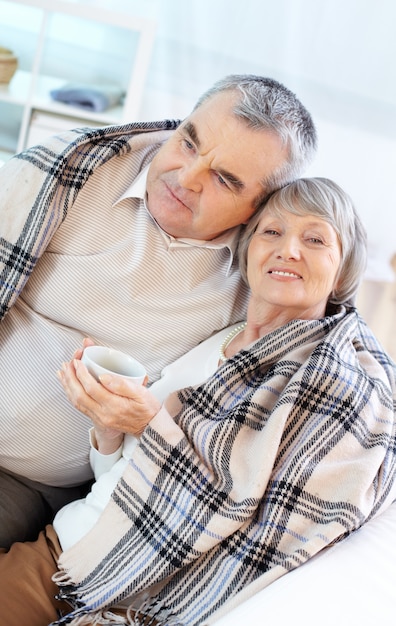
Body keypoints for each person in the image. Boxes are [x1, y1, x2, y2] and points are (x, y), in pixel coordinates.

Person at [0, 178, 395, 626]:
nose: (289, 249)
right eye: (271, 232)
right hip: (66, 555)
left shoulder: (336, 384)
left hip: (142, 600)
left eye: (315, 238)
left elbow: (255, 517)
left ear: (343, 269)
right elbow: (128, 479)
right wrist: (109, 429)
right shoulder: (215, 341)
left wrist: (150, 421)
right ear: (247, 252)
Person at [0, 74, 318, 547]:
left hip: (28, 483)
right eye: (189, 143)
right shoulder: (79, 173)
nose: (186, 178)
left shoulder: (256, 289)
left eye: (224, 179)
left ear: (259, 209)